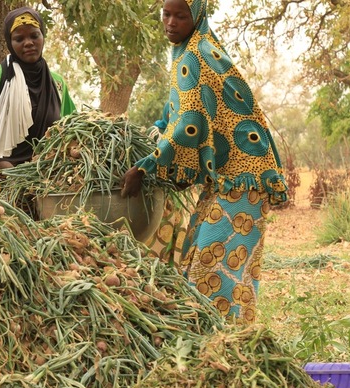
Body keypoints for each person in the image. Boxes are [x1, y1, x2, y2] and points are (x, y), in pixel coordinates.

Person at [121, 0, 288, 324]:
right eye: (166, 14)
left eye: (180, 16)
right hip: (224, 178)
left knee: (216, 264)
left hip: (244, 178)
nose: (170, 22)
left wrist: (146, 166)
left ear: (196, 16)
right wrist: (148, 134)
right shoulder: (184, 52)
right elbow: (173, 115)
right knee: (195, 256)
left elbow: (189, 126)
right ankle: (217, 342)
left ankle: (229, 345)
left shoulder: (197, 54)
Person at [0, 6, 76, 192]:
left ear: (43, 36)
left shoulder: (57, 84)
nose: (29, 43)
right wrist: (8, 170)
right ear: (10, 43)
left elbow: (69, 132)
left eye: (34, 35)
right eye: (19, 38)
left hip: (43, 181)